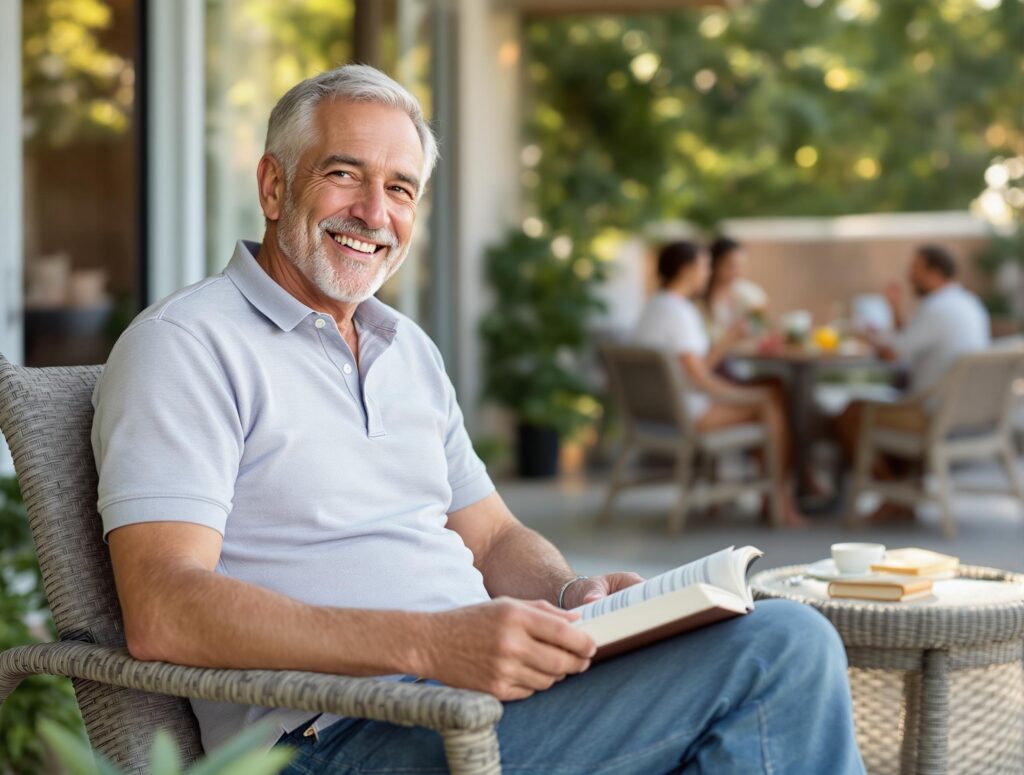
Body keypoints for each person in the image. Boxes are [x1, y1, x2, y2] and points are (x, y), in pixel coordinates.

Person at [91, 65, 864, 773]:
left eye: (400, 188)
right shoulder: (186, 345)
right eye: (343, 175)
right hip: (339, 735)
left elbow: (491, 536)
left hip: (481, 699)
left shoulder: (406, 348)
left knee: (762, 635)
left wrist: (571, 595)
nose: (374, 212)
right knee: (780, 653)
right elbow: (163, 607)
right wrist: (431, 640)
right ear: (272, 185)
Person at [632, 241, 810, 528]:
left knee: (770, 393)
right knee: (771, 402)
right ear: (686, 269)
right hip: (690, 414)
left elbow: (695, 367)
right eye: (704, 266)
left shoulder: (654, 307)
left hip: (663, 411)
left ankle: (778, 497)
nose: (708, 272)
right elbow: (701, 377)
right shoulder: (679, 313)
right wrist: (748, 396)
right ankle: (779, 502)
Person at [837, 245, 991, 521]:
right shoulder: (970, 304)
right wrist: (895, 309)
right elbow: (910, 347)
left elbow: (893, 354)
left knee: (850, 414)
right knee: (886, 401)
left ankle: (892, 495)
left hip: (931, 413)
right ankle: (901, 498)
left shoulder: (936, 308)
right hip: (964, 413)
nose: (910, 277)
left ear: (934, 273)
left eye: (915, 270)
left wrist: (865, 335)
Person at [704, 236, 768, 342]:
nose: (738, 271)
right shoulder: (700, 295)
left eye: (741, 265)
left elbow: (761, 328)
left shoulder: (750, 293)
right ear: (714, 264)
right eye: (731, 265)